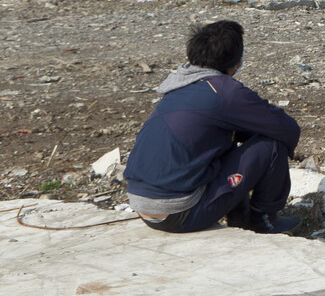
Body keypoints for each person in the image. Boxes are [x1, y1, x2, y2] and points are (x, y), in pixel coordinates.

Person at [124, 20, 301, 234]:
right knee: (272, 145)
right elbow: (288, 129)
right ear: (235, 61)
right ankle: (263, 220)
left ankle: (240, 216)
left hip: (143, 206)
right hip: (179, 213)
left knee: (226, 141)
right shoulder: (225, 92)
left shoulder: (179, 85)